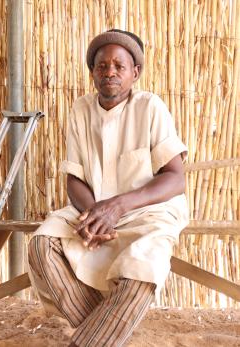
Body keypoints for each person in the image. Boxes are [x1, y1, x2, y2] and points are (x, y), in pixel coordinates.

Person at [28, 29, 189, 347]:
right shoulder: (81, 109)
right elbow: (74, 177)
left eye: (119, 66)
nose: (110, 72)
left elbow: (175, 177)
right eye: (102, 66)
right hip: (93, 210)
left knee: (144, 266)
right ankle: (102, 334)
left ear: (135, 72)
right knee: (42, 245)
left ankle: (88, 341)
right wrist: (93, 213)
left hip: (148, 211)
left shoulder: (150, 107)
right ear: (92, 72)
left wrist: (116, 206)